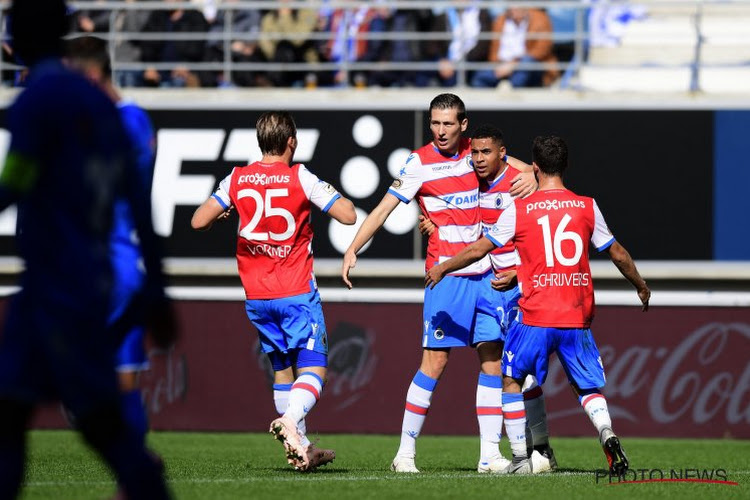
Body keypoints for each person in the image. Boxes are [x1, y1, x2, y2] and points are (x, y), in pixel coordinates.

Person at [0, 1, 175, 498]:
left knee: (47, 416)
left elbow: (16, 180)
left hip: (54, 282)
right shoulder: (103, 105)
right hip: (91, 276)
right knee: (85, 417)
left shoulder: (39, 98)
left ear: (15, 39)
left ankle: (146, 484)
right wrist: (159, 285)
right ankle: (145, 481)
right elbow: (140, 203)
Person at [425, 135, 650, 474]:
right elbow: (616, 252)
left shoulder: (518, 209)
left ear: (534, 168)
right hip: (576, 314)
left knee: (511, 379)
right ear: (566, 166)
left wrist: (443, 266)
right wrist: (641, 286)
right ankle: (605, 430)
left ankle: (520, 459)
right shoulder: (587, 206)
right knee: (586, 386)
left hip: (535, 314)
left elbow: (479, 249)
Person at [341, 93, 536, 474]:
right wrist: (352, 248)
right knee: (434, 362)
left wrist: (533, 174)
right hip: (445, 277)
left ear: (463, 125)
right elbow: (383, 208)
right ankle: (405, 454)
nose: (441, 131)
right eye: (435, 123)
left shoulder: (476, 154)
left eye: (448, 123)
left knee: (492, 362)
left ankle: (488, 456)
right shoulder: (418, 162)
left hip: (487, 276)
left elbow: (527, 171)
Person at [191, 111, 356, 471]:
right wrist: (319, 195)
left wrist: (227, 210)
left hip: (257, 296)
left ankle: (302, 446)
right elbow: (348, 215)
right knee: (315, 369)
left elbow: (198, 220)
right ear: (291, 142)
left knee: (282, 368)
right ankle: (291, 421)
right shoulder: (300, 176)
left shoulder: (237, 178)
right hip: (296, 291)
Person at [418, 124, 556, 472]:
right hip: (492, 288)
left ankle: (539, 448)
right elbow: (461, 218)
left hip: (524, 287)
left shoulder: (521, 182)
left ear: (502, 153)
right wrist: (434, 225)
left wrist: (533, 177)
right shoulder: (472, 183)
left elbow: (546, 216)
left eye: (485, 153)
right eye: (474, 153)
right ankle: (499, 454)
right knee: (499, 366)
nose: (478, 159)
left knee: (524, 375)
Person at [65, 35, 157, 458]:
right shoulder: (136, 120)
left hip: (92, 265)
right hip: (119, 264)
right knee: (121, 381)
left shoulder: (107, 123)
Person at [471, 6, 558, 88]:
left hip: (528, 65)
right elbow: (493, 50)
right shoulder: (500, 20)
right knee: (479, 77)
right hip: (502, 65)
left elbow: (541, 50)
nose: (515, 8)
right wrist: (500, 65)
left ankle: (513, 93)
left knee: (526, 64)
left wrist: (514, 64)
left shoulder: (540, 18)